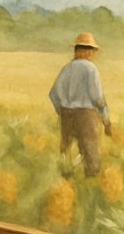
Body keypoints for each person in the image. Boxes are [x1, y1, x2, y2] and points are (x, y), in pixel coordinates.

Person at [48, 32, 112, 177]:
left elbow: (53, 93)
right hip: (86, 116)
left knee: (66, 153)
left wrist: (62, 111)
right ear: (87, 51)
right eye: (92, 50)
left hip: (67, 115)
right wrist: (106, 120)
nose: (93, 54)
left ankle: (66, 182)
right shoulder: (91, 69)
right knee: (90, 154)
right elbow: (97, 98)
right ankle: (89, 184)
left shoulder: (67, 69)